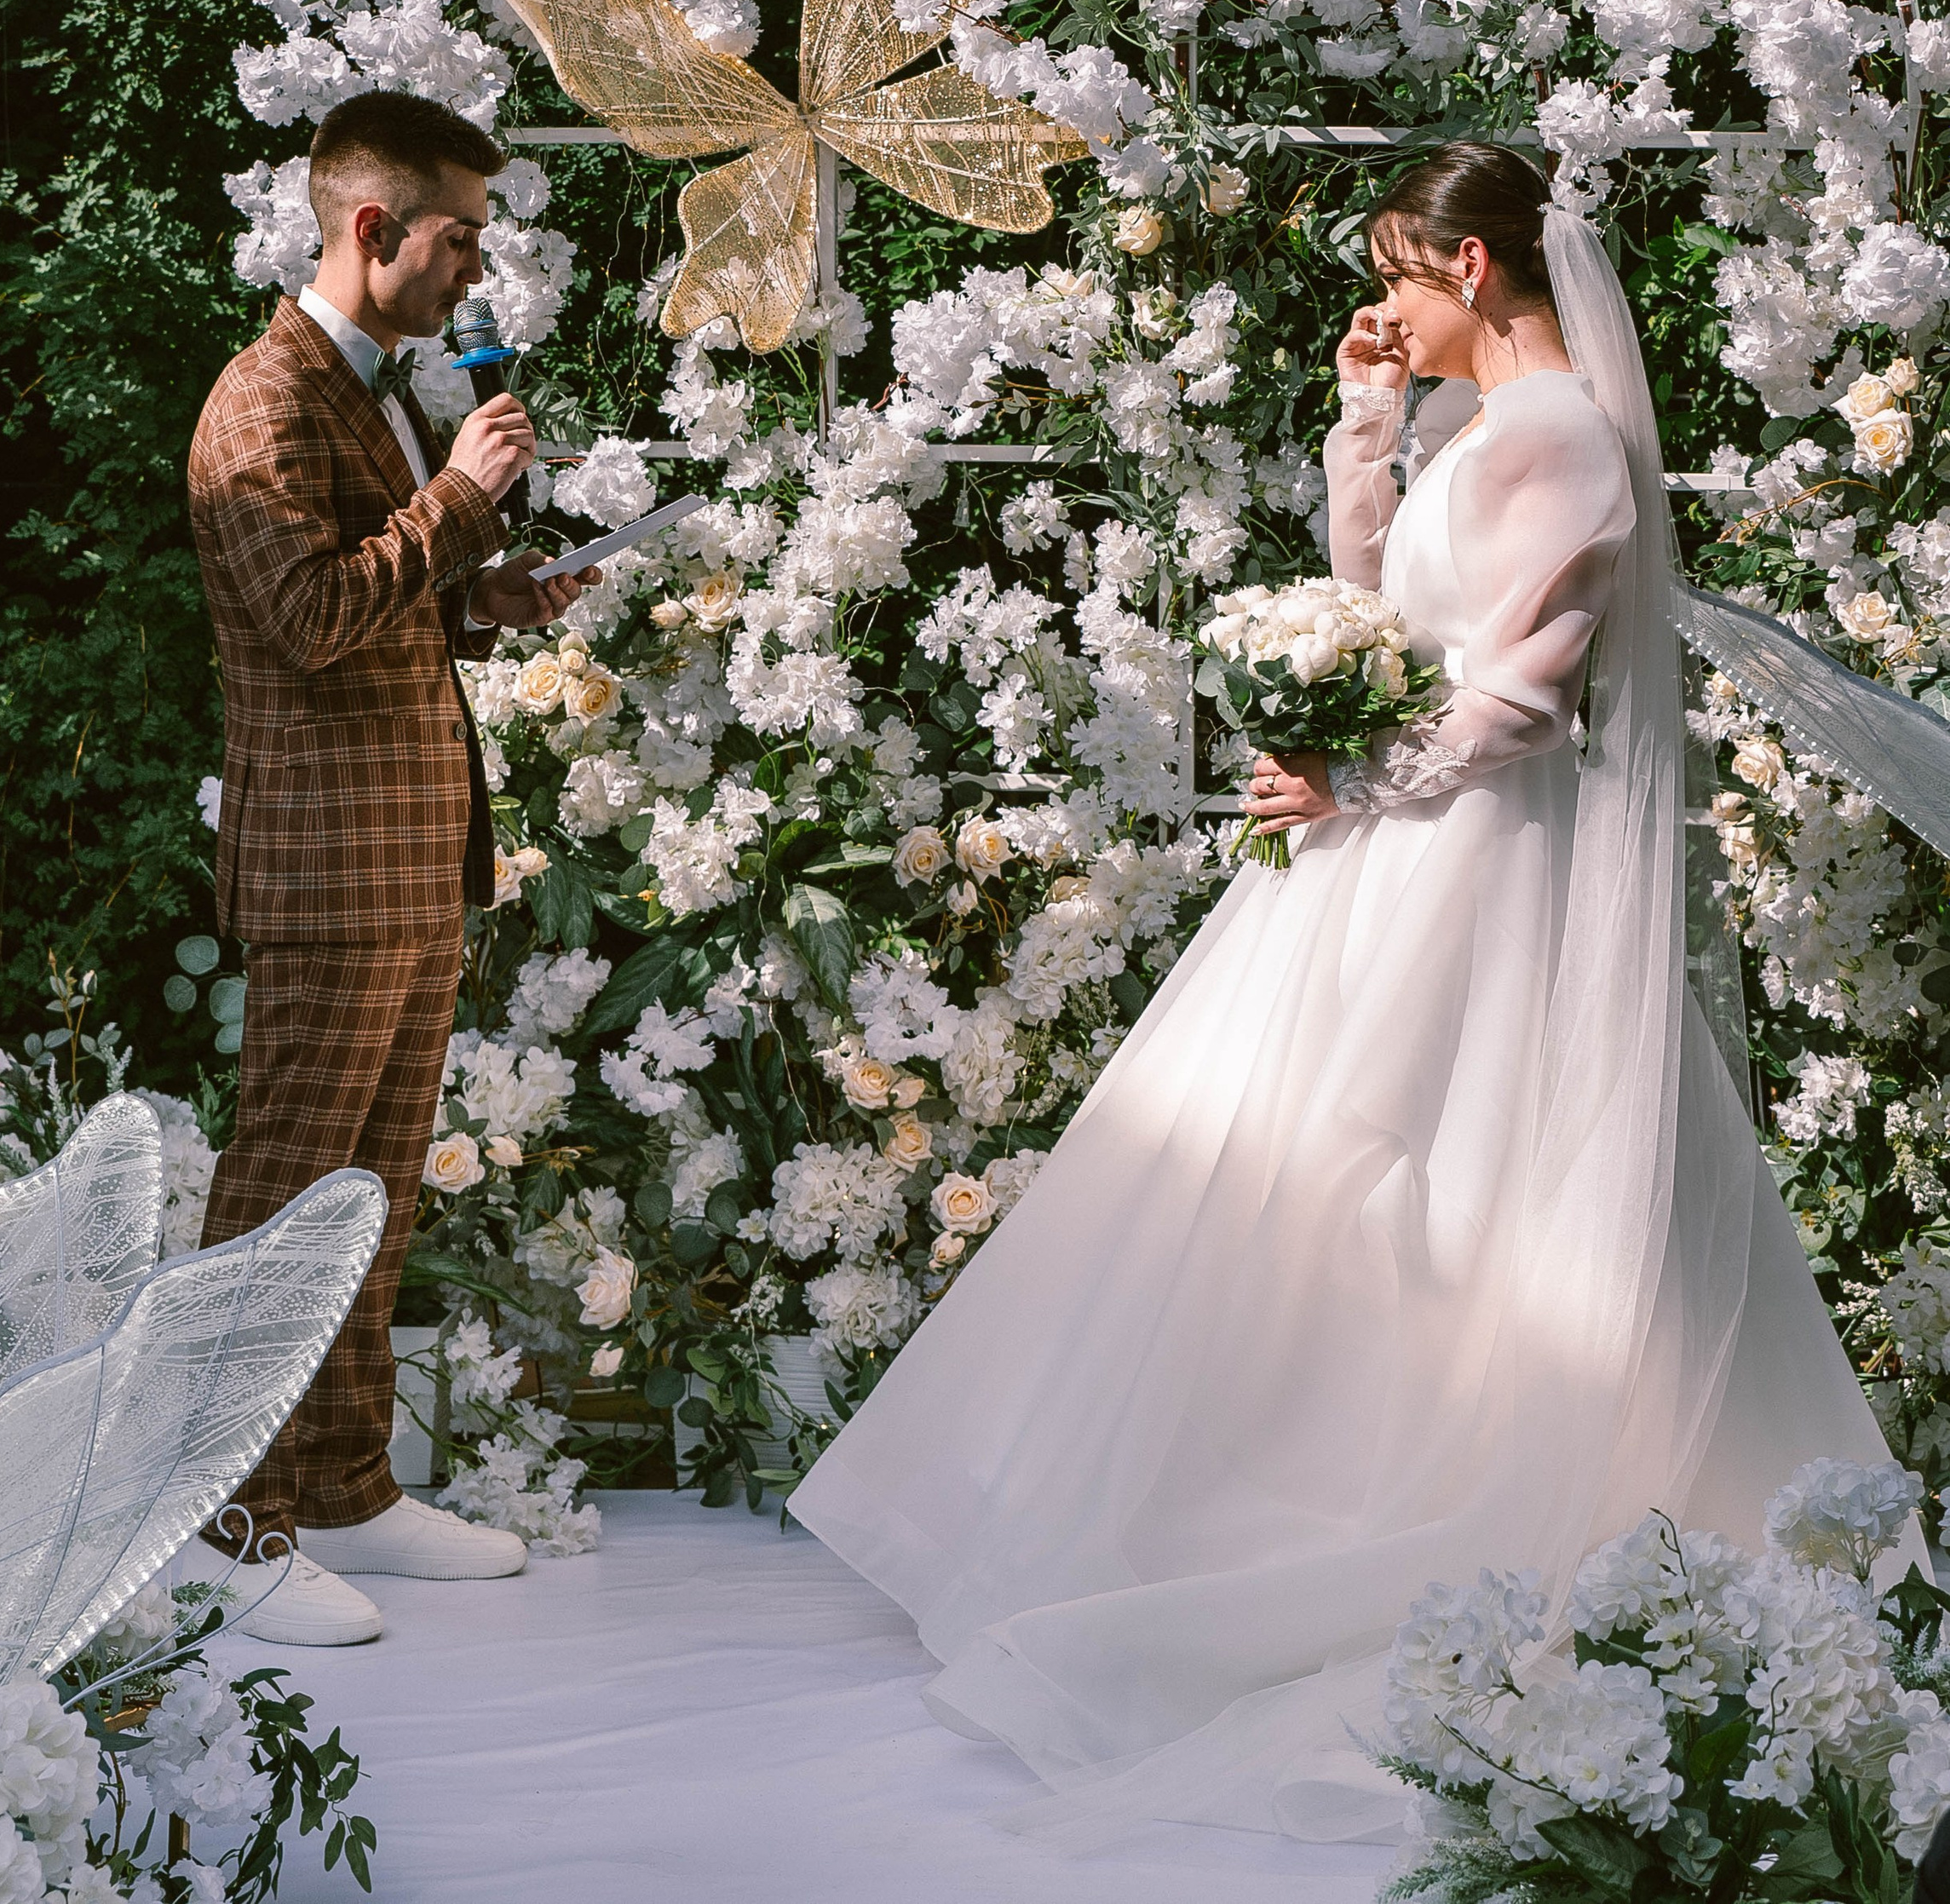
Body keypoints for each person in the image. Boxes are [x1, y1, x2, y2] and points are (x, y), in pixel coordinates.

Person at [792, 141, 1891, 1844]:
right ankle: (1209, 1482)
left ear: (1470, 265)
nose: (1377, 302)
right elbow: (1376, 612)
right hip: (1394, 835)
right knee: (1290, 1160)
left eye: (1394, 268)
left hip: (1470, 854)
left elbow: (1517, 699)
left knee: (1422, 1169)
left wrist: (1348, 786)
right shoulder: (1476, 425)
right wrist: (1365, 429)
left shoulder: (1564, 437)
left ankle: (1368, 1498)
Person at [184, 89, 593, 1647]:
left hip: (414, 857)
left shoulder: (376, 390)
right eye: (456, 238)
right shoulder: (264, 401)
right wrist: (462, 501)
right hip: (326, 866)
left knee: (366, 1200)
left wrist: (491, 595)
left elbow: (388, 597)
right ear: (372, 230)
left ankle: (346, 1483)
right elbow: (305, 618)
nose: (469, 271)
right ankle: (223, 1526)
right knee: (278, 1206)